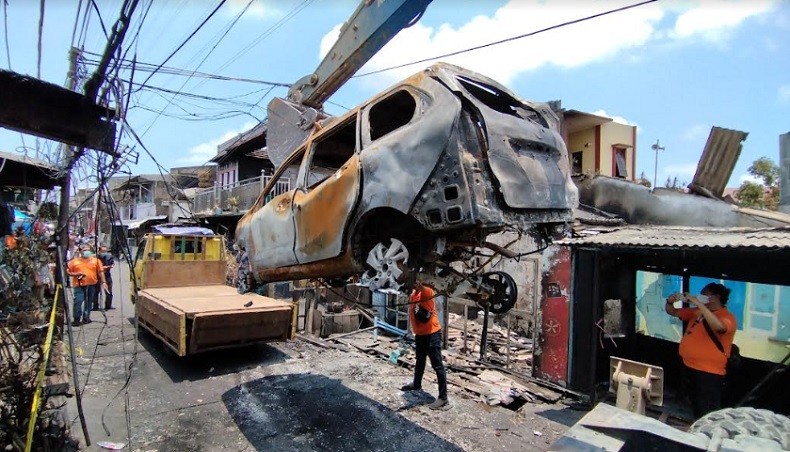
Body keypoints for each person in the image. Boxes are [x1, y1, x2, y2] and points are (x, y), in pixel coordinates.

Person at [665, 282, 737, 419]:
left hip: (709, 372)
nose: (701, 296)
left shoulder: (727, 317)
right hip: (689, 367)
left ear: (715, 297)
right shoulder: (696, 312)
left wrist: (699, 304)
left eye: (705, 294)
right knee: (693, 407)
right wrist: (670, 301)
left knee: (707, 411)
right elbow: (671, 311)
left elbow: (719, 327)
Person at [400, 279, 449, 410]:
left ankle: (443, 398)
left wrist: (421, 286)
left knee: (437, 366)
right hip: (420, 335)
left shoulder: (427, 292)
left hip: (432, 334)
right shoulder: (413, 295)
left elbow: (427, 291)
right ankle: (416, 384)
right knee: (420, 361)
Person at [67, 245, 107, 325]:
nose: (87, 252)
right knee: (78, 301)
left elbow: (100, 272)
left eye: (88, 250)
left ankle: (86, 317)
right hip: (79, 285)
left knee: (89, 302)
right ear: (80, 251)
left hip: (92, 284)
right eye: (85, 250)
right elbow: (67, 272)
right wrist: (75, 274)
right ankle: (77, 318)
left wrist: (104, 282)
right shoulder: (74, 262)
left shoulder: (96, 261)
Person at [98, 245, 115, 309]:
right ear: (99, 251)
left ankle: (108, 305)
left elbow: (112, 264)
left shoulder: (109, 257)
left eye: (105, 251)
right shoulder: (96, 258)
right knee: (95, 292)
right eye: (103, 251)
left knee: (109, 291)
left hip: (107, 275)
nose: (104, 252)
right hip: (97, 275)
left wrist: (108, 267)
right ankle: (95, 306)